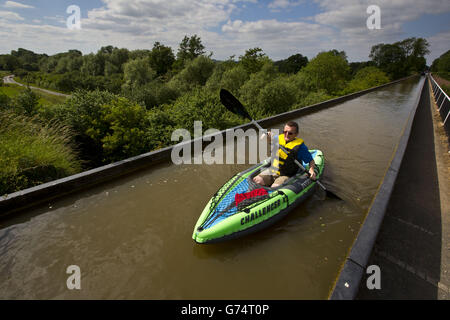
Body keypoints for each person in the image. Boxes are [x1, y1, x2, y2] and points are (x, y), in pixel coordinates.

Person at [253, 121, 317, 188]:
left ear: (296, 134)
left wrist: (311, 170)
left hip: (286, 174)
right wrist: (267, 136)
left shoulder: (301, 147)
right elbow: (267, 140)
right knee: (256, 180)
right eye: (284, 132)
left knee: (274, 188)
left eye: (290, 133)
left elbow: (311, 161)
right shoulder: (278, 138)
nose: (286, 135)